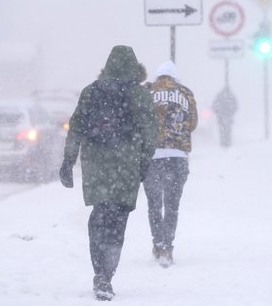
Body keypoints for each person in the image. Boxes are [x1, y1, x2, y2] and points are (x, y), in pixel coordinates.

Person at [58, 45, 156, 301]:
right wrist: (144, 164)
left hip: (96, 164)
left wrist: (68, 161)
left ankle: (98, 271)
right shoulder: (139, 94)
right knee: (117, 220)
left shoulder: (90, 92)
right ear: (134, 68)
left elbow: (75, 128)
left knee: (100, 215)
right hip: (126, 165)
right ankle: (107, 275)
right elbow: (149, 133)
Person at [143, 61, 197, 268]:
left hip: (152, 157)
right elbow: (192, 123)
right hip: (177, 156)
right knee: (172, 206)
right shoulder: (186, 93)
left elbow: (140, 120)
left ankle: (157, 245)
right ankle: (168, 247)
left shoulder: (147, 92)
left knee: (154, 205)